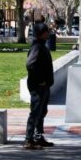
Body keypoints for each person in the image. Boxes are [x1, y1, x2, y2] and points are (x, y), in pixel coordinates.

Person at [24, 22, 55, 150]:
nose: (49, 33)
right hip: (38, 86)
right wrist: (40, 80)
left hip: (44, 85)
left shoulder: (41, 45)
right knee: (35, 112)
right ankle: (28, 139)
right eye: (46, 31)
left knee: (42, 112)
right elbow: (30, 64)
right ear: (42, 33)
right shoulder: (37, 47)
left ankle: (38, 137)